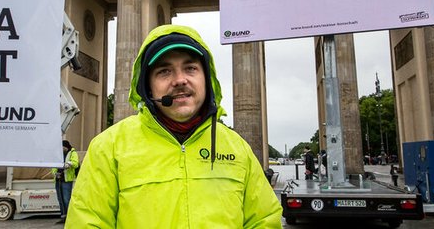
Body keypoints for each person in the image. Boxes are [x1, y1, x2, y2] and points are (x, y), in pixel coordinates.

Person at [67, 25, 282, 228]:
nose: (180, 80)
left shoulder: (238, 148)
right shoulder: (108, 148)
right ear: (147, 87)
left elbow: (264, 220)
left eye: (190, 68)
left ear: (206, 79)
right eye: (164, 71)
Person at [54, 140, 80, 224]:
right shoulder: (58, 154)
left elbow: (76, 163)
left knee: (66, 199)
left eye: (63, 147)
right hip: (58, 179)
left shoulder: (72, 153)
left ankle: (70, 217)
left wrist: (69, 164)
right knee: (60, 199)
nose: (62, 149)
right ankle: (63, 216)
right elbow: (53, 166)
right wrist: (55, 173)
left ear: (66, 147)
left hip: (66, 180)